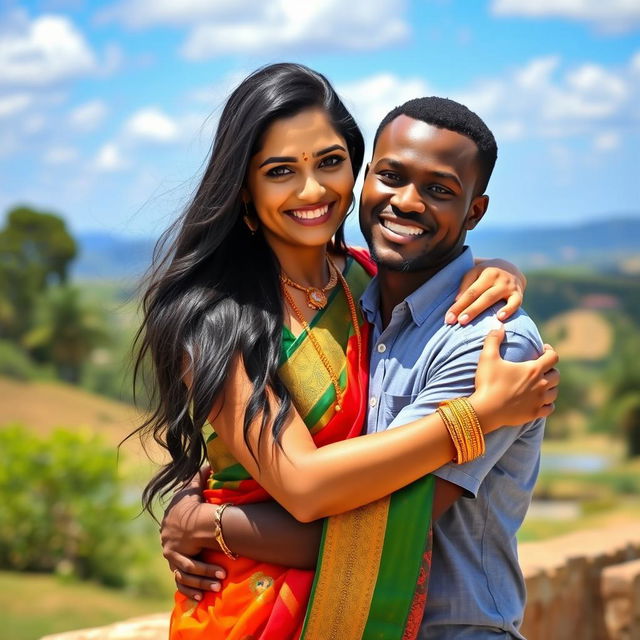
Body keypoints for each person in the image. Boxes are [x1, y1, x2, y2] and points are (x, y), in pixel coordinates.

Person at [138, 64, 558, 639]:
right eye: (280, 171)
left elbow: (392, 521)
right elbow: (304, 485)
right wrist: (478, 414)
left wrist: (499, 271)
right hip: (250, 612)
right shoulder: (218, 320)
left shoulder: (367, 284)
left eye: (329, 163)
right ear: (244, 188)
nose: (312, 191)